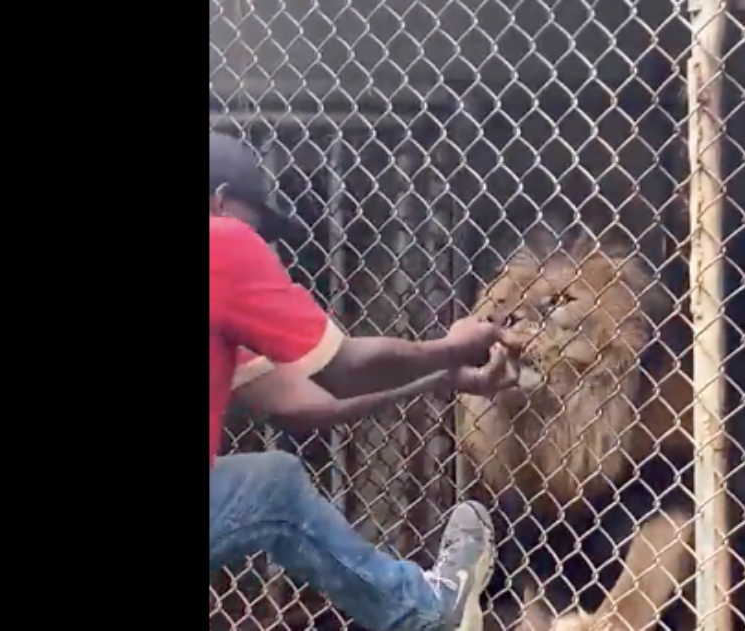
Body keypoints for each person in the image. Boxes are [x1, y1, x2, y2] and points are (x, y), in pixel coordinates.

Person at [209, 131, 524, 631]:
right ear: (222, 199)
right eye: (257, 224)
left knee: (267, 481)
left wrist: (439, 378)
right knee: (274, 486)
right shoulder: (220, 242)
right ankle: (423, 610)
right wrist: (453, 346)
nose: (262, 241)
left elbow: (311, 401)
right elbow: (343, 366)